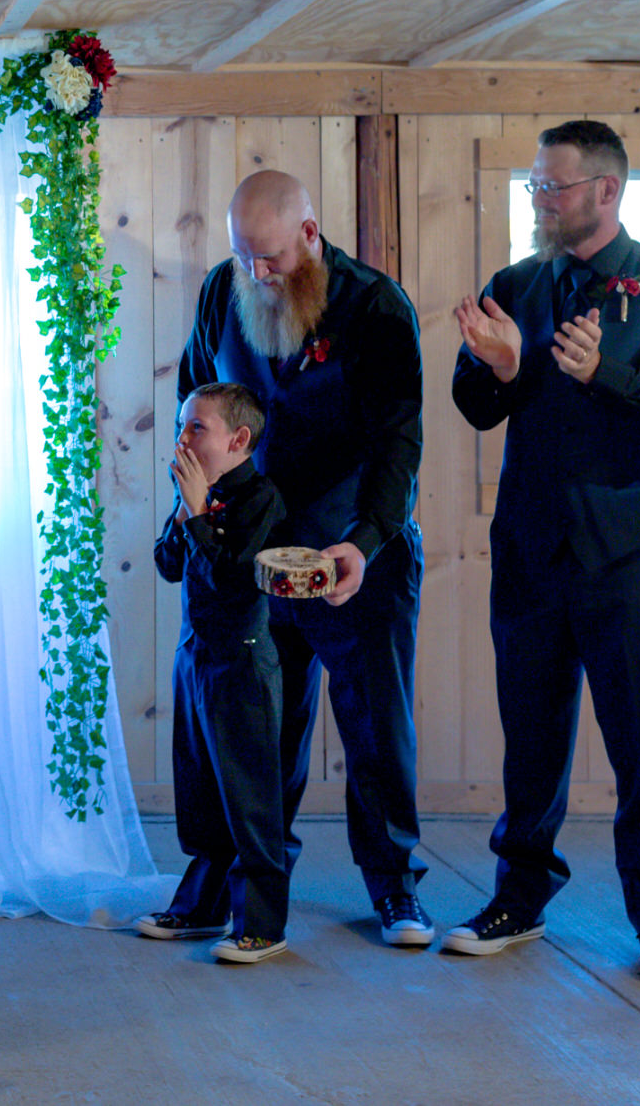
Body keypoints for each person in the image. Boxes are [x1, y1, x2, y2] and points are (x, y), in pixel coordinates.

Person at [448, 120, 640, 982]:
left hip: (631, 556)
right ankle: (517, 898)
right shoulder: (516, 284)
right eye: (533, 185)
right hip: (530, 551)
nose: (540, 199)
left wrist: (607, 373)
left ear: (606, 190)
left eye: (552, 187)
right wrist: (500, 366)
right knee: (530, 740)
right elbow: (478, 405)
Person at [177, 170, 430, 947]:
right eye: (245, 258)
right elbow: (198, 393)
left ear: (311, 235)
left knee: (374, 725)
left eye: (273, 259)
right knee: (256, 728)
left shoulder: (375, 306)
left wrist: (367, 536)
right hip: (255, 548)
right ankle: (242, 887)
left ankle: (395, 888)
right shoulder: (227, 289)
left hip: (354, 545)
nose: (257, 275)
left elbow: (398, 440)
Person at [137, 382, 290, 964]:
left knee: (249, 798)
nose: (182, 438)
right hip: (196, 657)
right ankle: (205, 907)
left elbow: (233, 580)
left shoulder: (263, 501)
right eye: (181, 426)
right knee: (201, 792)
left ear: (239, 439)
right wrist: (187, 511)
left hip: (243, 663)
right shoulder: (197, 493)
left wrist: (199, 512)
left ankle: (263, 924)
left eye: (195, 427)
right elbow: (168, 565)